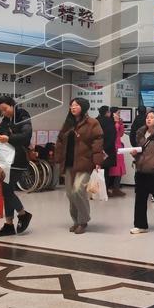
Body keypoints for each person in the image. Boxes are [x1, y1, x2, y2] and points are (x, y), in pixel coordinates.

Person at [54, 97, 104, 234]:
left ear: (83, 107)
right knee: (70, 194)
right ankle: (76, 221)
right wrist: (57, 157)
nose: (73, 107)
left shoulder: (92, 123)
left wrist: (97, 161)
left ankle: (83, 220)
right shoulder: (68, 123)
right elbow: (59, 140)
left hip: (85, 162)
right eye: (71, 105)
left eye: (76, 105)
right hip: (69, 163)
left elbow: (98, 142)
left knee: (78, 190)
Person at [0, 96, 34, 237]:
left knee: (7, 191)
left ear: (12, 105)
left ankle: (22, 214)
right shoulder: (6, 120)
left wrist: (9, 138)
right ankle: (9, 224)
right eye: (1, 111)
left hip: (19, 159)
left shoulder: (23, 115)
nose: (4, 113)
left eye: (5, 109)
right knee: (6, 191)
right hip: (6, 160)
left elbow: (26, 136)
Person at [108, 107, 127, 197]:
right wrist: (116, 123)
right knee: (112, 169)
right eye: (118, 113)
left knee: (120, 168)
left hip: (119, 146)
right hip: (113, 147)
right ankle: (109, 188)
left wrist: (121, 124)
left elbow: (121, 134)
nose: (119, 114)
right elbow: (113, 133)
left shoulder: (119, 122)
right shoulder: (110, 122)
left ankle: (116, 188)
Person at [97, 105, 117, 189]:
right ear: (107, 112)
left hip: (97, 149)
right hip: (107, 150)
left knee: (97, 170)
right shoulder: (110, 122)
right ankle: (104, 190)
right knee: (106, 172)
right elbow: (112, 136)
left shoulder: (96, 120)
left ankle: (95, 189)